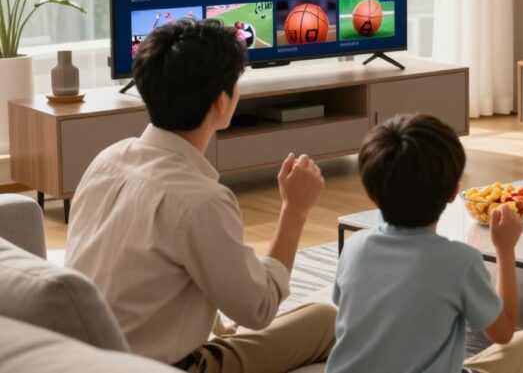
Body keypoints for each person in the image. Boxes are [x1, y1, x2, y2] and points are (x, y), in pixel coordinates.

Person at [65, 19, 337, 373]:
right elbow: (259, 309)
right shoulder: (202, 201)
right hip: (165, 367)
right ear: (221, 103)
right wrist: (294, 209)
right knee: (325, 319)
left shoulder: (108, 159)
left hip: (81, 359)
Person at [325, 114, 523, 373]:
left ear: (371, 191)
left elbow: (348, 311)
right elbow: (504, 332)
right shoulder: (459, 261)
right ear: (454, 192)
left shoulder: (355, 247)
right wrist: (505, 249)